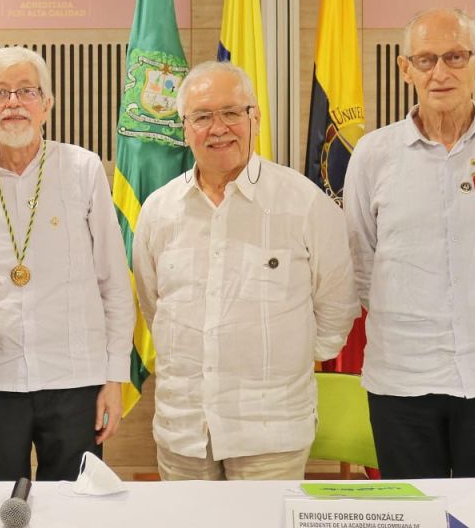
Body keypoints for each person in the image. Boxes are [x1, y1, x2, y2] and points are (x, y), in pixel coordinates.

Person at [343, 8, 475, 479]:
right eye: (424, 60)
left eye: (455, 56)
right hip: (403, 377)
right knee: (415, 514)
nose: (440, 72)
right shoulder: (374, 154)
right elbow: (363, 264)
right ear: (405, 69)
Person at [133, 60, 357, 481]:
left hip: (269, 434)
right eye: (201, 116)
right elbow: (154, 306)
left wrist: (279, 360)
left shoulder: (303, 203)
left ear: (254, 117)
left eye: (232, 113)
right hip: (184, 431)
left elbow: (335, 310)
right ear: (185, 127)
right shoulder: (159, 211)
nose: (217, 128)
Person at [0, 46, 134, 481]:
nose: (13, 103)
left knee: (74, 514)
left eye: (26, 91)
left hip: (74, 379)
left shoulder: (83, 169)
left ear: (47, 104)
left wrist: (114, 379)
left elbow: (113, 282)